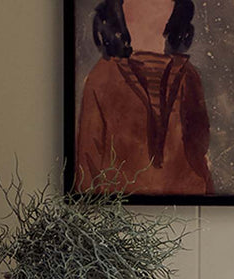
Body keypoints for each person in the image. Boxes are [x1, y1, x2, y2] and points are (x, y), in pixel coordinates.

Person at [74, 0, 214, 196]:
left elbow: (200, 145)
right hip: (120, 206)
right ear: (119, 10)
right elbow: (88, 159)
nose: (149, 8)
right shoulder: (102, 77)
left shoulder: (188, 76)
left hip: (190, 201)